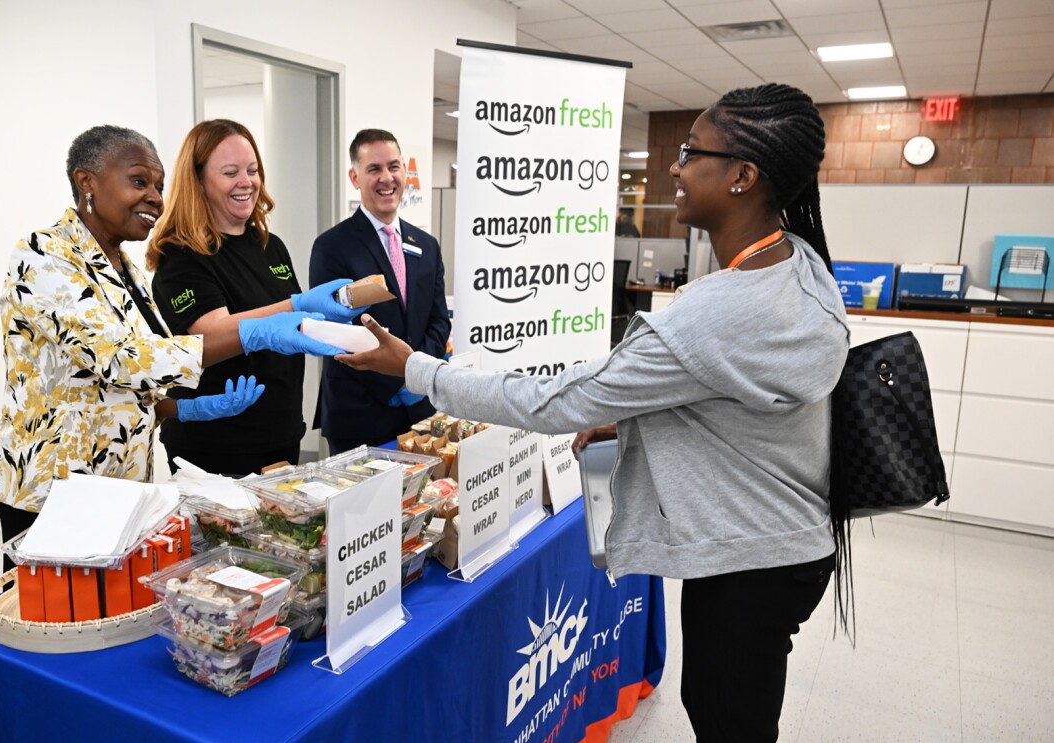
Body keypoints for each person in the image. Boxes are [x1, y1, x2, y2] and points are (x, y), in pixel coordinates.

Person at [339, 84, 849, 742]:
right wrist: (635, 416)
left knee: (728, 718)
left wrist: (411, 367)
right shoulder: (800, 264)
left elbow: (553, 401)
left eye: (693, 151)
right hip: (792, 546)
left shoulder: (716, 311)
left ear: (744, 176)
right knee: (739, 712)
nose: (674, 166)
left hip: (748, 558)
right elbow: (736, 403)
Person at [0, 125, 343, 571]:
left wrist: (183, 409)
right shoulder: (44, 256)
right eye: (138, 182)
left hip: (119, 484)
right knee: (55, 624)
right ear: (86, 182)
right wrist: (258, 332)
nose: (154, 196)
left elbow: (125, 384)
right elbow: (121, 360)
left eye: (158, 185)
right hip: (53, 488)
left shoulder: (125, 268)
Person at [148, 119, 362, 476]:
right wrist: (297, 304)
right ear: (198, 181)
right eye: (230, 172)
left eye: (252, 170)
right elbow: (208, 334)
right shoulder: (181, 255)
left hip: (281, 434)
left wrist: (339, 325)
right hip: (216, 444)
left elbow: (291, 328)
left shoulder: (270, 245)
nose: (246, 182)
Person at [309, 128, 451, 454]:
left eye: (393, 166)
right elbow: (335, 331)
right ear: (355, 177)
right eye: (374, 169)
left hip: (418, 411)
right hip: (359, 413)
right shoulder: (332, 247)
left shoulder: (425, 245)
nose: (386, 178)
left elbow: (438, 320)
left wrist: (416, 373)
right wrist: (398, 380)